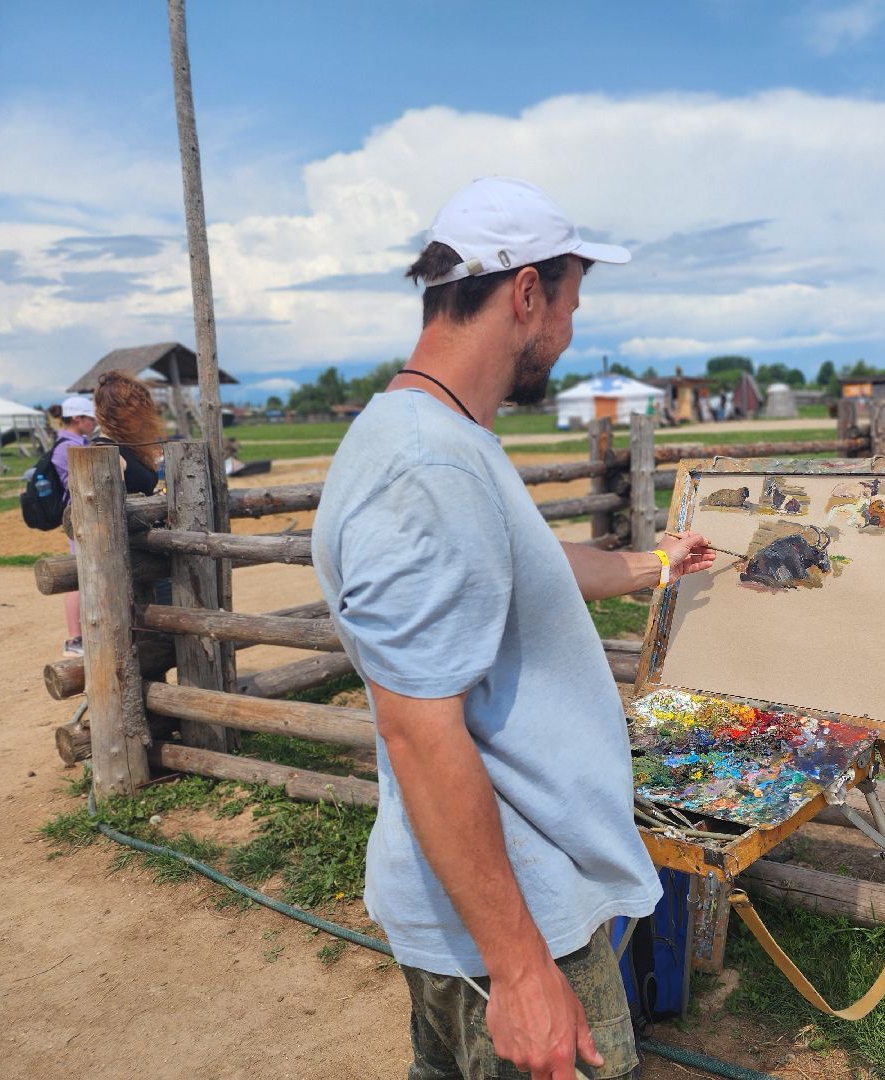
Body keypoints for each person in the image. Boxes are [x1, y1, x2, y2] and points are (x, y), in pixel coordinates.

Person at [311, 177, 714, 1080]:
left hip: (494, 903)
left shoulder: (437, 437)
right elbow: (417, 728)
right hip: (514, 915)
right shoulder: (428, 467)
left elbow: (518, 567)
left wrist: (658, 562)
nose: (570, 333)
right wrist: (523, 967)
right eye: (571, 302)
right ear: (526, 293)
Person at [51, 395, 96, 656]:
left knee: (84, 575)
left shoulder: (74, 443)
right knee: (78, 578)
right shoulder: (69, 448)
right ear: (77, 418)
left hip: (81, 516)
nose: (93, 423)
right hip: (78, 517)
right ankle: (73, 639)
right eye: (90, 418)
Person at [92, 371, 164, 497]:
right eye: (135, 413)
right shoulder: (107, 455)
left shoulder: (126, 446)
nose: (143, 419)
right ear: (116, 414)